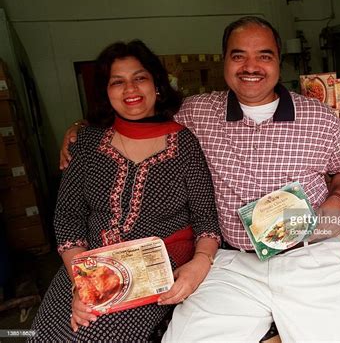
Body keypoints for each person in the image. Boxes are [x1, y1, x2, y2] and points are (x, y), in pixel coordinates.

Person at [60, 18, 340, 342]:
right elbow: (140, 111)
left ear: (279, 62)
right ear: (224, 60)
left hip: (309, 256)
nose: (250, 66)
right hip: (232, 264)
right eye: (238, 56)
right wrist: (82, 127)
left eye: (264, 56)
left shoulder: (319, 117)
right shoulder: (197, 111)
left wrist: (338, 199)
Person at [32, 40, 220, 341]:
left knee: (95, 335)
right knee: (47, 333)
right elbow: (68, 217)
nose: (130, 89)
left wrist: (200, 263)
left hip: (156, 261)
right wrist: (82, 283)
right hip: (90, 263)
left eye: (139, 78)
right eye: (117, 82)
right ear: (107, 93)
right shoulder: (88, 142)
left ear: (156, 85)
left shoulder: (184, 143)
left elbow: (206, 219)